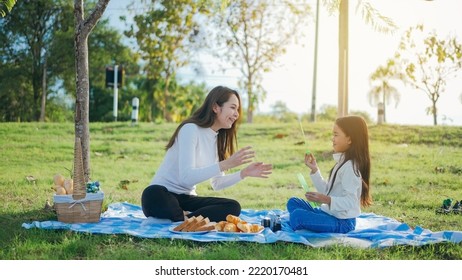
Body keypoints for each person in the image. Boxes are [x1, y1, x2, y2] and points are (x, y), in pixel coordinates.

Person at [141, 86, 272, 222]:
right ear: (215, 107)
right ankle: (186, 218)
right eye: (233, 107)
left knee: (232, 206)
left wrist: (243, 173)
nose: (236, 114)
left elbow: (216, 183)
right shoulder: (190, 129)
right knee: (152, 193)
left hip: (186, 199)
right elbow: (186, 177)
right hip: (163, 195)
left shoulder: (217, 140)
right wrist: (226, 164)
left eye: (237, 109)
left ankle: (185, 219)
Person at [287, 115, 372, 233]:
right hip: (328, 213)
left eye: (336, 135)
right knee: (293, 202)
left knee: (297, 216)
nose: (332, 139)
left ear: (350, 139)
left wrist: (327, 200)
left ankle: (303, 221)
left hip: (342, 222)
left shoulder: (350, 167)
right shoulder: (341, 162)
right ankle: (308, 221)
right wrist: (314, 170)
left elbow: (351, 201)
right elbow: (328, 191)